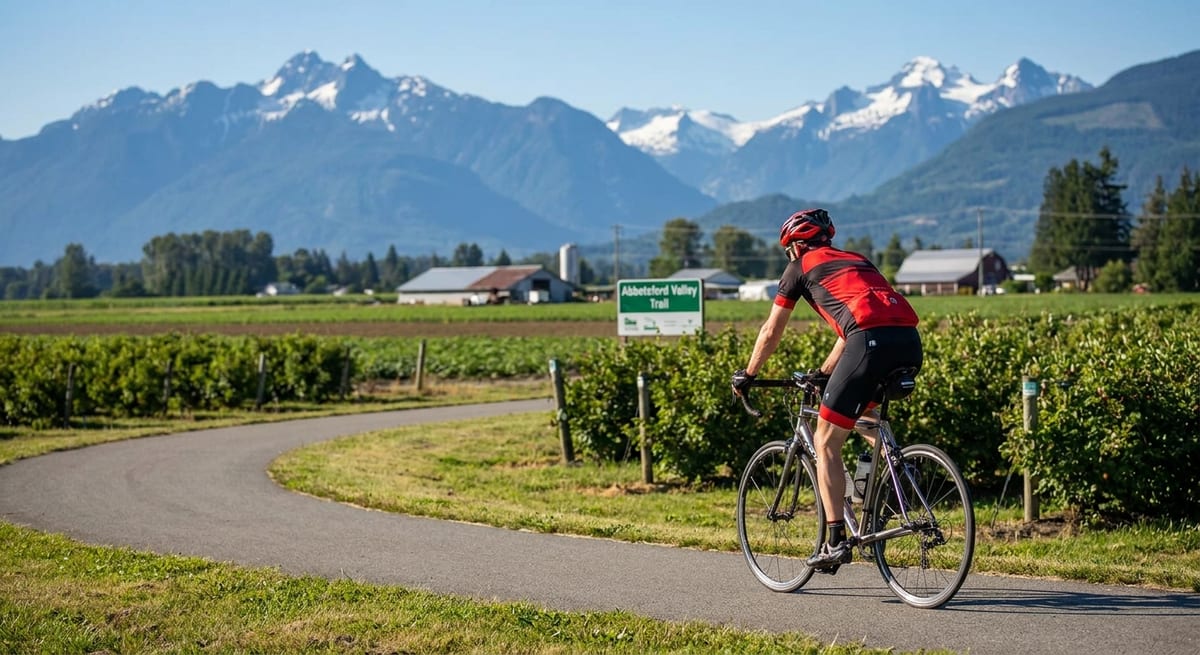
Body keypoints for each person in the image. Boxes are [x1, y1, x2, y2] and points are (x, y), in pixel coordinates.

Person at [731, 208, 923, 572]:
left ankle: (835, 542)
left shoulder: (799, 268)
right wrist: (822, 373)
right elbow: (851, 327)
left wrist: (749, 373)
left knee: (824, 441)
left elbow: (771, 331)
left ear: (795, 245)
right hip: (909, 341)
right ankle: (901, 474)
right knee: (866, 415)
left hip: (868, 343)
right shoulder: (856, 260)